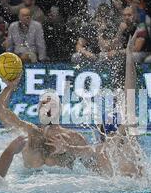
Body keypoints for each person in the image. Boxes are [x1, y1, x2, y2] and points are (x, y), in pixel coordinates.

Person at [46, 34, 144, 178]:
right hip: (131, 186)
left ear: (101, 133)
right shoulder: (129, 144)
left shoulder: (99, 149)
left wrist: (66, 148)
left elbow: (76, 150)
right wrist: (129, 56)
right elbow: (130, 89)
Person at [0, 79, 90, 171]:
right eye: (44, 104)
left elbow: (94, 170)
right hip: (28, 185)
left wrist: (69, 149)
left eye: (53, 105)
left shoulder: (75, 138)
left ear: (60, 110)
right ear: (38, 109)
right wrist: (9, 87)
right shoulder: (29, 132)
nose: (48, 108)